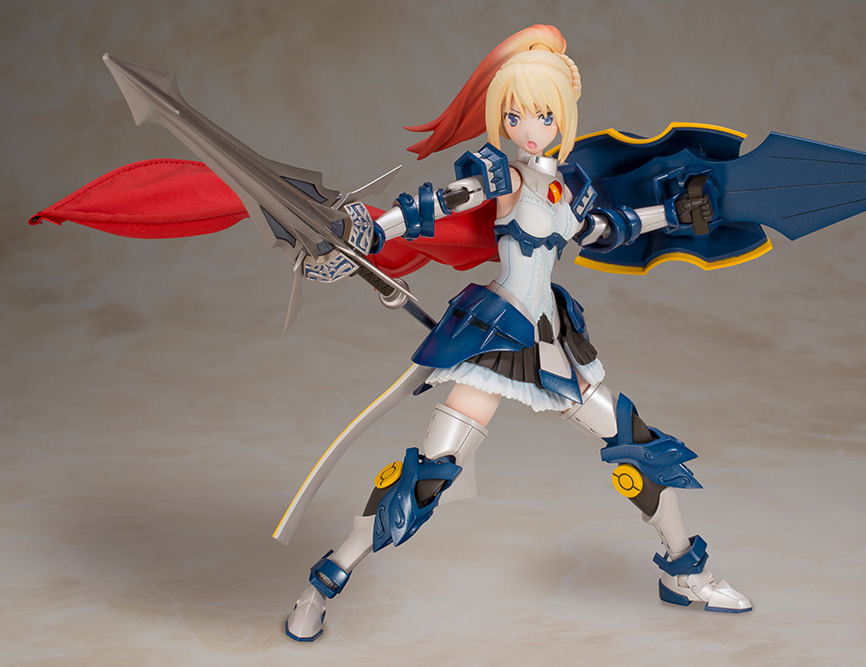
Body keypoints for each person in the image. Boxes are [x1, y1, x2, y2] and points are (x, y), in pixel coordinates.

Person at [284, 24, 752, 643]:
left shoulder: (570, 186)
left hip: (555, 341)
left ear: (563, 116)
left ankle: (685, 573)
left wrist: (673, 212)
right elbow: (436, 205)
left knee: (639, 446)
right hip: (497, 339)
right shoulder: (498, 175)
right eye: (515, 115)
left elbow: (605, 229)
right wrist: (371, 232)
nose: (529, 128)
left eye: (543, 115)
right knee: (431, 474)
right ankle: (323, 584)